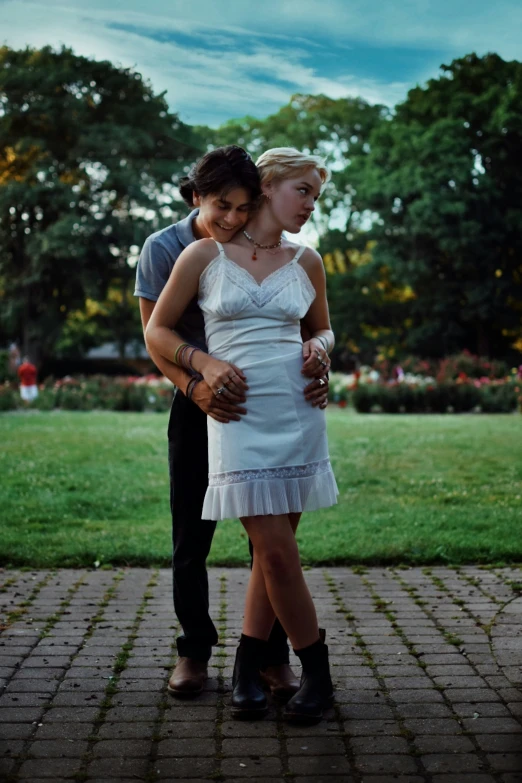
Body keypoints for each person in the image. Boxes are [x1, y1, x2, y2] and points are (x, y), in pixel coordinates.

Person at [146, 148, 338, 723]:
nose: (310, 203)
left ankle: (248, 668)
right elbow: (156, 328)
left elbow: (325, 329)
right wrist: (201, 366)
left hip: (298, 413)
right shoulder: (199, 253)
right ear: (270, 185)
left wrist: (320, 352)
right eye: (302, 190)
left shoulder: (308, 261)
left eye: (315, 195)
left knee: (270, 558)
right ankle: (318, 674)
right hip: (231, 415)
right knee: (275, 553)